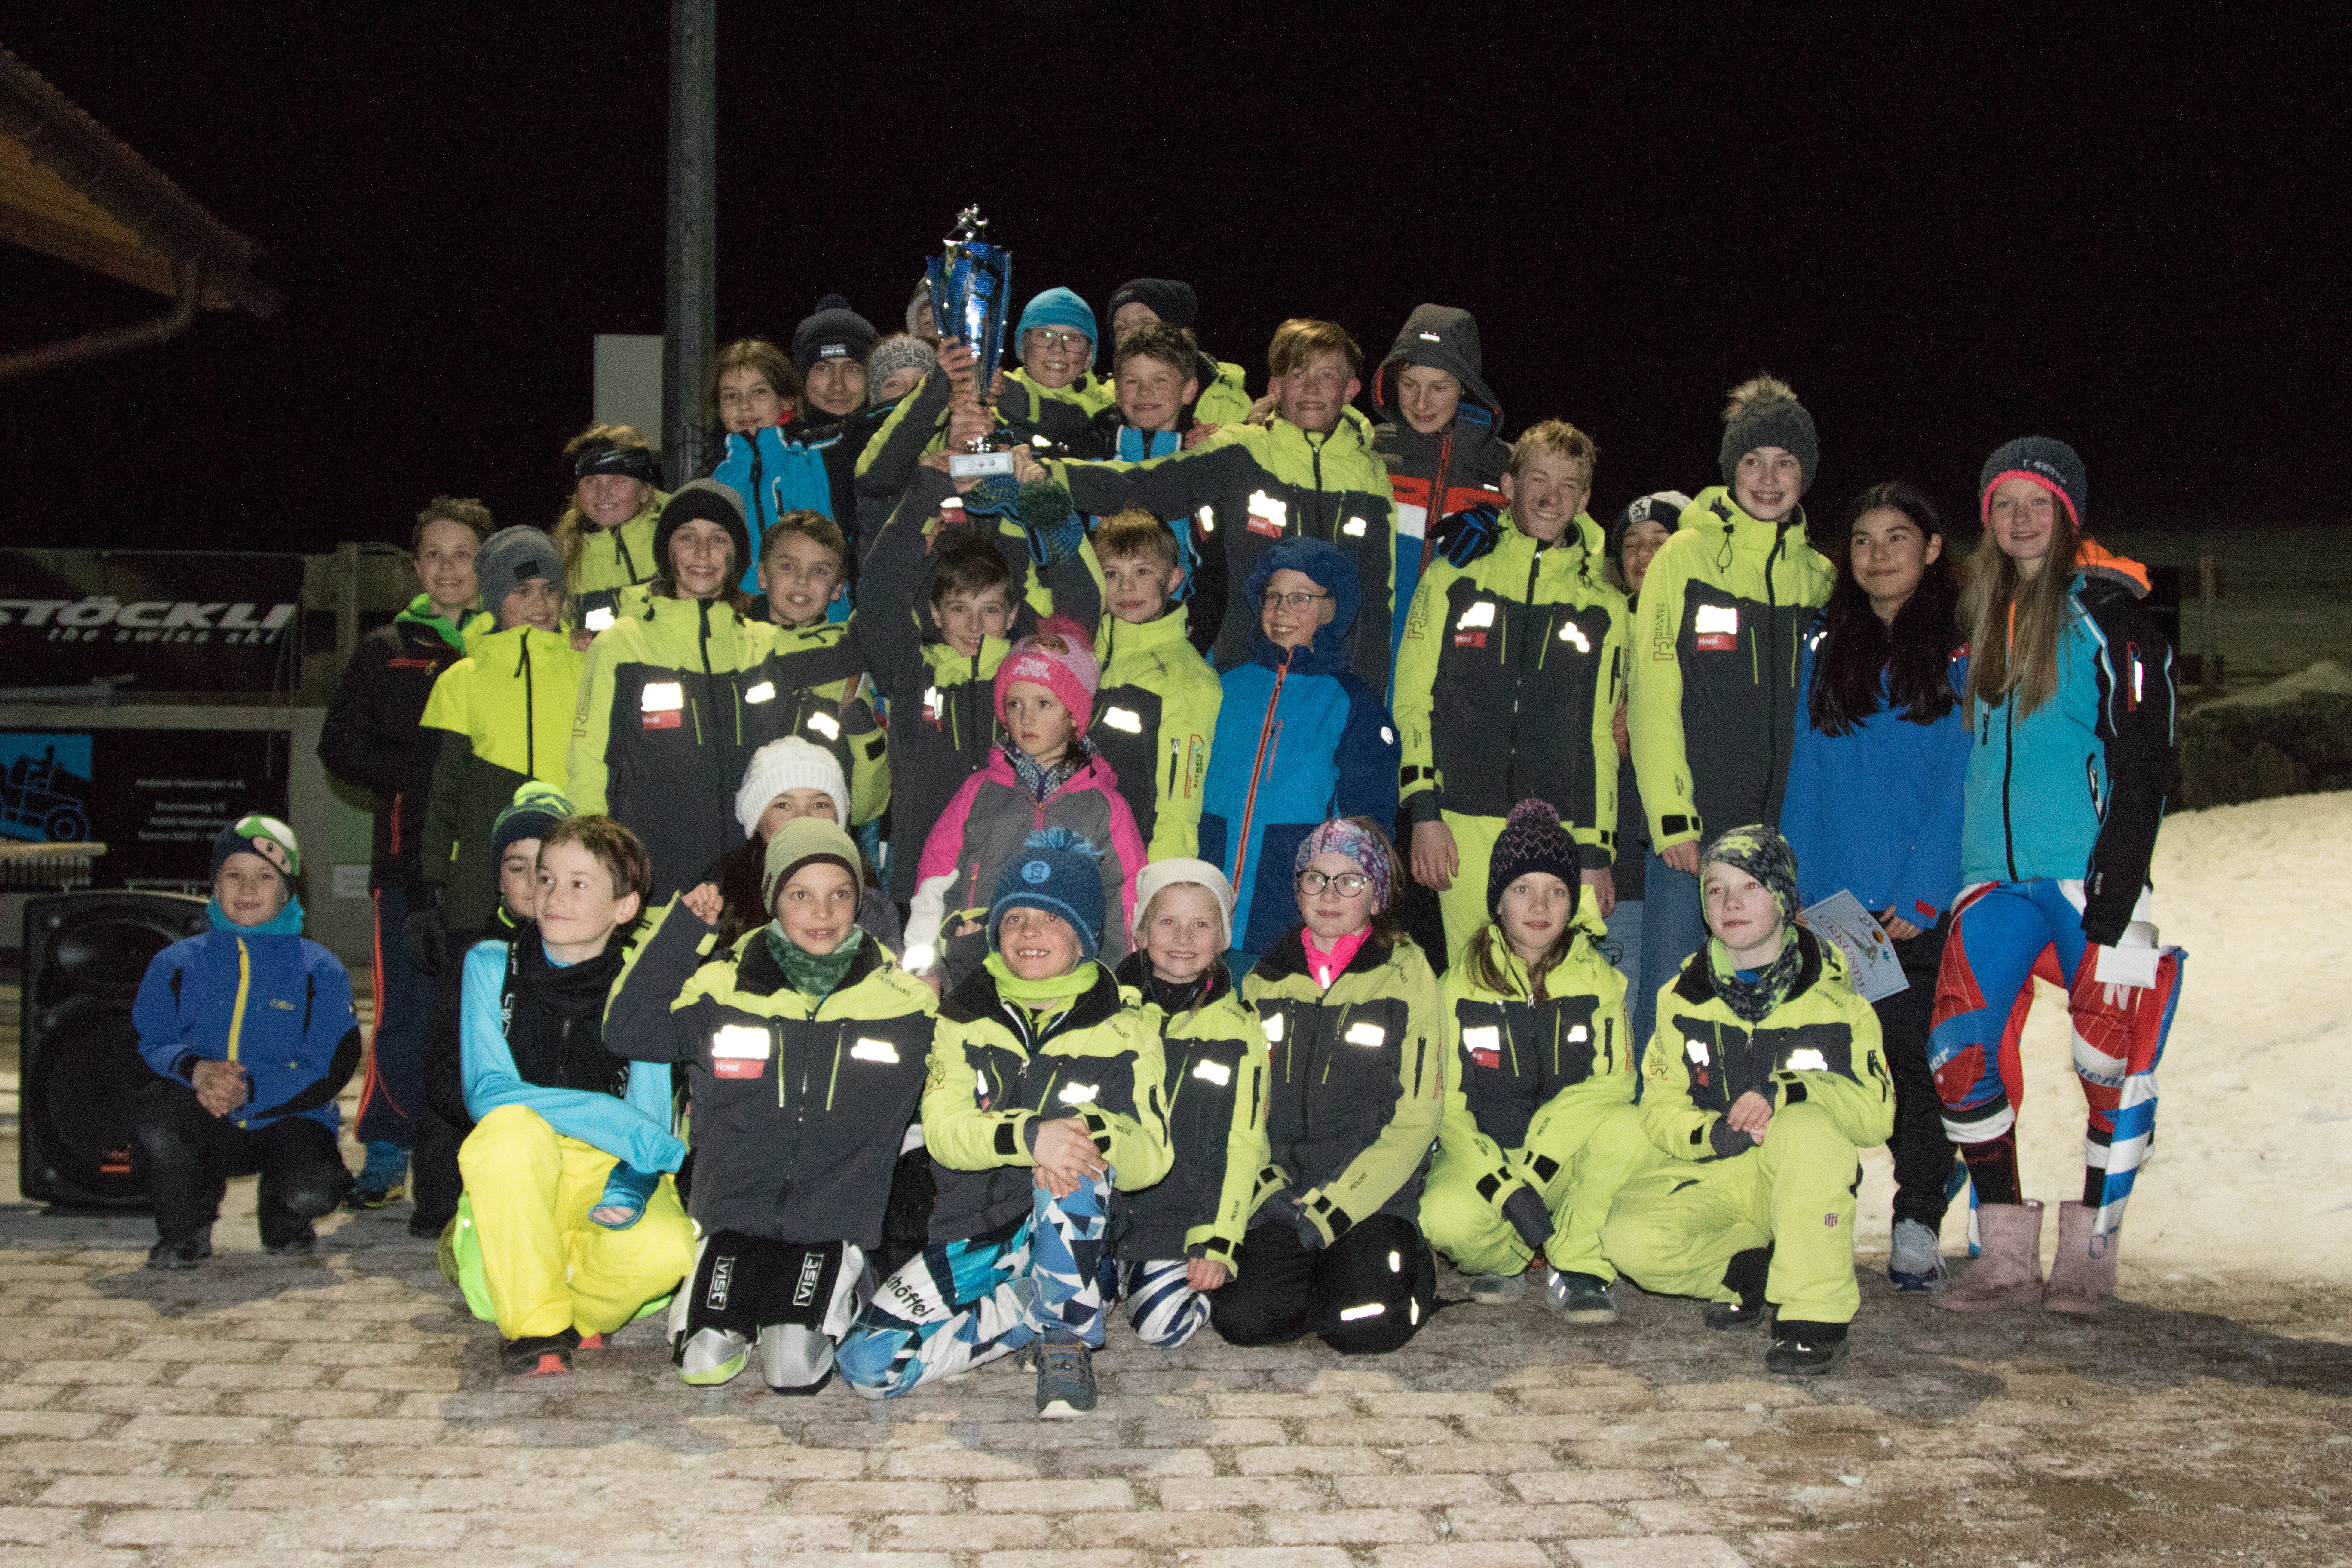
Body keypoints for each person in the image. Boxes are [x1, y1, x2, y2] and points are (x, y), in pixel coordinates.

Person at [1929, 438, 2181, 1317]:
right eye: (2004, 504)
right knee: (1958, 1056)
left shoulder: (2111, 613)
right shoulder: (1975, 617)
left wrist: (2119, 885)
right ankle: (2003, 1247)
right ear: (1989, 520)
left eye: (2037, 502)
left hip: (2088, 881)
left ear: (2067, 514)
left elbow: (2146, 759)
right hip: (1991, 882)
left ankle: (2090, 1253)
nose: (2020, 519)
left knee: (2110, 1059)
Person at [838, 829, 1172, 1417]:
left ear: (1086, 936)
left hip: (1073, 1223)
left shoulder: (1127, 1024)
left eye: (1050, 918)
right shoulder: (962, 1016)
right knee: (869, 1365)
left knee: (1070, 1165)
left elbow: (1152, 1156)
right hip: (978, 1232)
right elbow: (945, 1133)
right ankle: (1034, 1311)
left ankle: (1066, 1339)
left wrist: (1084, 1134)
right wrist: (1030, 1135)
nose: (1029, 933)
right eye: (1014, 918)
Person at [606, 815, 939, 1393]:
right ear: (773, 901)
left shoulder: (903, 1004)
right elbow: (630, 1031)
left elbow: (961, 1085)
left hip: (830, 1226)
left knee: (793, 1370)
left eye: (840, 895)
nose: (823, 912)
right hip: (733, 1217)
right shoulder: (723, 988)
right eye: (801, 895)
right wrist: (679, 938)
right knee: (703, 1363)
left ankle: (841, 1290)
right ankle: (736, 1300)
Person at [1599, 826, 1893, 1376]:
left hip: (1801, 1174)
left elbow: (1877, 1114)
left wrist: (1788, 1091)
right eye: (1715, 890)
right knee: (1629, 1241)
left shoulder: (1836, 1001)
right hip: (1720, 1173)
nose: (1731, 904)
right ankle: (1751, 1268)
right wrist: (1711, 1135)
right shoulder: (1681, 998)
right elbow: (1660, 1107)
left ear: (1783, 898)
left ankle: (1814, 1318)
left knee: (1805, 1128)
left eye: (1750, 887)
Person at [1780, 481, 1969, 1291]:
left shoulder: (1962, 651)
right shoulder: (1829, 650)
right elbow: (1806, 775)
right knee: (1841, 1061)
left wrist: (1921, 895)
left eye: (1897, 536)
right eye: (1861, 540)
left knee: (1910, 1059)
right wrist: (1804, 891)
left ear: (1931, 548)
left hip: (1914, 906)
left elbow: (1961, 780)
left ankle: (1918, 1208)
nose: (1878, 554)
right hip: (1838, 907)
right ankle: (1827, 1215)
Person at [1626, 376, 1835, 1063]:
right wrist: (1672, 816)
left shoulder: (1821, 579)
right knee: (1672, 995)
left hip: (1780, 842)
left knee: (1769, 1005)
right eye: (1753, 462)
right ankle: (1649, 1148)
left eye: (1785, 463)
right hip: (1695, 830)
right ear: (1730, 470)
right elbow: (1654, 694)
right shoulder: (1684, 558)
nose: (1769, 479)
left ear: (1805, 473)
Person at [456, 815, 694, 1378]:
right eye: (545, 878)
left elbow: (651, 1126)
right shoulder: (490, 966)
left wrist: (628, 1168)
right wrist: (609, 1115)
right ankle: (535, 1329)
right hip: (521, 1164)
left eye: (578, 883)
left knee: (668, 1253)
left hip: (606, 1170)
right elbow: (488, 1094)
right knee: (507, 1134)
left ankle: (577, 1316)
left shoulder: (647, 988)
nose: (553, 896)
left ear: (625, 907)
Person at [1047, 319, 1402, 693]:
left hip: (1333, 688)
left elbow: (1379, 599)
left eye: (1327, 376)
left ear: (1351, 389)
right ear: (1276, 387)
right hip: (1240, 673)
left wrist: (1371, 696)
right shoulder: (1240, 450)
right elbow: (1146, 485)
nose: (1311, 388)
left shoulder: (1370, 474)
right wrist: (1045, 475)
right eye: (1298, 374)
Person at [1394, 420, 1626, 964]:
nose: (1552, 496)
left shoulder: (1603, 604)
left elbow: (1597, 737)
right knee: (1467, 987)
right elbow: (1411, 699)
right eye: (1539, 480)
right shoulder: (1453, 572)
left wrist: (1595, 851)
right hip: (1459, 824)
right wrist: (1425, 814)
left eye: (1569, 486)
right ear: (1509, 484)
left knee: (1550, 995)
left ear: (1586, 498)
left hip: (1557, 831)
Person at [318, 496, 492, 1210]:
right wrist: (418, 769)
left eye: (464, 554)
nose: (449, 567)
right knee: (403, 1013)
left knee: (484, 1015)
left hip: (491, 870)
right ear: (416, 565)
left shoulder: (512, 644)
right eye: (435, 554)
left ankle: (479, 1153)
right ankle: (387, 1147)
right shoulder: (386, 648)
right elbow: (340, 746)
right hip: (405, 867)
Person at [1213, 818, 1440, 1353]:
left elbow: (1417, 1118)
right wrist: (1267, 1191)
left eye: (1351, 881)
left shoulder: (1408, 975)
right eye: (1315, 878)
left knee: (1367, 1327)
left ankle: (1393, 1268)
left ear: (1378, 894)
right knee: (1244, 1322)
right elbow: (1240, 1109)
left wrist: (1337, 1207)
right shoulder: (1264, 979)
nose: (1330, 895)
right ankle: (1327, 1281)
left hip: (1370, 1195)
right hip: (1285, 1196)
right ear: (1297, 889)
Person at [1419, 802, 1654, 1318]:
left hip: (1565, 1162)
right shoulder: (1458, 985)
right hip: (1489, 1157)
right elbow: (1446, 1105)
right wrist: (1505, 1187)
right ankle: (1504, 1257)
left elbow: (1613, 1084)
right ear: (1497, 901)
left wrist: (1537, 1166)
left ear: (1573, 903)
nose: (1540, 905)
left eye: (1557, 890)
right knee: (1444, 1217)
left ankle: (1578, 1263)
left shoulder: (1598, 979)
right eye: (1522, 889)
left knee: (1630, 1129)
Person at [130, 817, 358, 1268]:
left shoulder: (321, 969)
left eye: (265, 877)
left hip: (287, 1118)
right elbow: (148, 1040)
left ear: (289, 891)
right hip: (206, 1111)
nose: (247, 889)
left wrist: (249, 1091)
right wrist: (196, 1070)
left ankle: (283, 1217)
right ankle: (187, 1227)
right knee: (153, 1122)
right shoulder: (174, 963)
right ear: (214, 887)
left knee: (313, 1190)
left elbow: (330, 1066)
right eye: (233, 875)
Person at [904, 621, 1145, 990]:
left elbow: (1126, 901)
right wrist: (924, 966)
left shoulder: (1105, 806)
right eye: (1014, 705)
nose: (1026, 718)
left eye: (1044, 704)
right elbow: (934, 879)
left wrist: (1119, 986)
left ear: (1074, 714)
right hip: (973, 970)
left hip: (1068, 980)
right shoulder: (979, 789)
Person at [1200, 539, 1399, 966]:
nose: (1281, 610)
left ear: (1333, 610)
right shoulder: (1222, 688)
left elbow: (1372, 826)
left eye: (1301, 598)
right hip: (1204, 916)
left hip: (1290, 920)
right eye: (1272, 597)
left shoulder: (1353, 704)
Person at [567, 480, 765, 901]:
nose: (702, 554)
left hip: (744, 893)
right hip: (650, 887)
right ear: (666, 552)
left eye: (718, 539)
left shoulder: (760, 645)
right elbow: (589, 768)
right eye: (687, 538)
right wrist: (594, 870)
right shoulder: (623, 643)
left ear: (738, 556)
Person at [1110, 860, 1269, 1349]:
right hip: (1103, 1209)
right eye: (1167, 922)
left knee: (1165, 1329)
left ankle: (1160, 1276)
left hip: (1179, 1218)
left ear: (1222, 937)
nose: (1183, 937)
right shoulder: (1105, 1013)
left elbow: (1245, 1144)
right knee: (1069, 1309)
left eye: (1202, 924)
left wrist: (1218, 1238)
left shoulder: (1240, 1031)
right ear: (1140, 931)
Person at [413, 525, 582, 971]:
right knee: (471, 1018)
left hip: (571, 885)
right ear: (492, 598)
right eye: (521, 591)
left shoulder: (592, 667)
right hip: (476, 891)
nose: (539, 604)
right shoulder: (461, 680)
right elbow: (437, 797)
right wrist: (428, 888)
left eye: (550, 590)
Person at [418, 781, 574, 1240]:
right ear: (497, 877)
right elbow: (442, 1070)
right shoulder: (473, 958)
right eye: (516, 867)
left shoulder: (603, 955)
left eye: (544, 868)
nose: (531, 885)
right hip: (491, 1123)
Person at [849, 530, 1018, 911]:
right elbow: (877, 605)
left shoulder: (1026, 676)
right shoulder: (912, 672)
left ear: (1011, 617)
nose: (974, 626)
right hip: (918, 875)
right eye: (959, 609)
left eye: (990, 610)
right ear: (936, 614)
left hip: (1005, 874)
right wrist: (916, 550)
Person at [1062, 322, 1233, 650]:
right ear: (1116, 390)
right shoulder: (1085, 459)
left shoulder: (1203, 464)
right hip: (1095, 646)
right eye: (1132, 381)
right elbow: (1070, 561)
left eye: (1160, 380)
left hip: (1177, 646)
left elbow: (1211, 573)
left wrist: (1190, 646)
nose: (1144, 393)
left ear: (1188, 390)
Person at [1599, 491, 1690, 1050]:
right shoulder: (1605, 625)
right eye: (1631, 545)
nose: (1644, 555)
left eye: (1660, 542)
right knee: (1624, 1006)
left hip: (1684, 849)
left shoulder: (1702, 628)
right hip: (1620, 859)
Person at [1370, 304, 1513, 658]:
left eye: (1439, 387)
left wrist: (1506, 530)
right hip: (1370, 648)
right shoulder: (1368, 450)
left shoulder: (1507, 466)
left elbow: (1569, 539)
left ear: (1466, 386)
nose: (1421, 403)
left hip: (1457, 659)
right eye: (1409, 385)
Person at [683, 736, 903, 953]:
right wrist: (687, 932)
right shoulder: (718, 898)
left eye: (819, 804)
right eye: (783, 805)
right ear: (758, 820)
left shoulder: (872, 908)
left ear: (839, 818)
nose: (802, 818)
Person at [1086, 510, 1222, 860]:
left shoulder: (1187, 679)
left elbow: (1182, 802)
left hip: (1133, 860)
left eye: (1142, 572)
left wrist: (1162, 879)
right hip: (1068, 847)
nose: (1126, 587)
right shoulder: (1083, 651)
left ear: (1175, 578)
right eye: (1111, 574)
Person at [737, 511, 888, 821]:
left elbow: (864, 809)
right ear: (762, 575)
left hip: (820, 835)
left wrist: (865, 735)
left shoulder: (847, 660)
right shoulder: (731, 645)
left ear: (837, 589)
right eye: (788, 566)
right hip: (740, 835)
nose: (802, 581)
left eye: (820, 571)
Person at [554, 425, 667, 634]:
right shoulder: (566, 552)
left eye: (617, 480)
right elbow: (554, 625)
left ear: (644, 490)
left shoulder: (675, 537)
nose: (603, 494)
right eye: (591, 481)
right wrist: (570, 638)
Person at [1103, 277, 1254, 427]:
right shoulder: (1105, 398)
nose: (1131, 336)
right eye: (1121, 328)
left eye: (1145, 323)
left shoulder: (1227, 400)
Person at [995, 286, 1112, 442]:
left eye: (1073, 338)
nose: (1057, 349)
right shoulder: (992, 394)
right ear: (1023, 347)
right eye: (1044, 334)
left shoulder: (1118, 403)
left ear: (1089, 355)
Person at [792, 294, 879, 429]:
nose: (838, 386)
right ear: (802, 379)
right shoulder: (773, 445)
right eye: (823, 368)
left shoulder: (900, 440)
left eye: (852, 370)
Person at [703, 337, 800, 444]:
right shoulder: (719, 458)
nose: (744, 405)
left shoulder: (812, 456)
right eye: (731, 396)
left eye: (759, 392)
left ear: (787, 400)